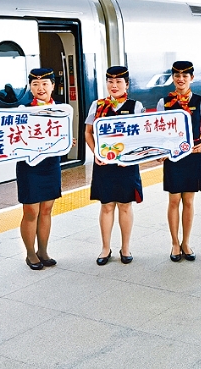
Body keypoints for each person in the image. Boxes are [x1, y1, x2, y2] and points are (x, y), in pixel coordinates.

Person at [85, 66, 144, 266]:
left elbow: (142, 136)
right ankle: (105, 248)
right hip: (104, 163)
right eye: (110, 82)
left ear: (127, 84)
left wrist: (132, 156)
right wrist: (96, 153)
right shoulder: (97, 105)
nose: (114, 85)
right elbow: (88, 133)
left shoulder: (135, 106)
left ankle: (125, 248)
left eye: (119, 82)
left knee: (125, 206)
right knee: (107, 205)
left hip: (127, 165)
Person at [157, 61, 201, 262]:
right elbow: (158, 132)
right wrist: (161, 151)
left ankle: (186, 242)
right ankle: (175, 243)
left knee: (189, 201)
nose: (180, 79)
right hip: (173, 156)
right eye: (177, 75)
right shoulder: (164, 102)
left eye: (185, 75)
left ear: (192, 78)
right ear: (173, 78)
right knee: (174, 200)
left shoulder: (200, 101)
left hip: (193, 154)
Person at [18, 68, 71, 270]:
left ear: (53, 86)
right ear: (30, 88)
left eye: (45, 84)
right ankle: (30, 253)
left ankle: (43, 251)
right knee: (31, 211)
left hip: (51, 165)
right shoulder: (22, 110)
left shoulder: (62, 110)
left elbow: (63, 135)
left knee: (47, 210)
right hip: (29, 166)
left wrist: (69, 140)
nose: (40, 88)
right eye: (35, 84)